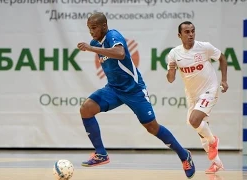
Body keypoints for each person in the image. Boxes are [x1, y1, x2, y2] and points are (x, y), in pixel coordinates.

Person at [77, 13, 195, 178]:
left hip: (134, 90)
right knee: (86, 109)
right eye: (89, 29)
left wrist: (92, 48)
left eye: (94, 28)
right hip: (113, 89)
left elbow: (120, 54)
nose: (91, 32)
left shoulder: (113, 36)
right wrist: (93, 46)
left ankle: (184, 155)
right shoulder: (96, 42)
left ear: (104, 26)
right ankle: (101, 154)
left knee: (152, 127)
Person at [166, 21, 228, 174]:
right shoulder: (174, 53)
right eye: (187, 32)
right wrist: (171, 69)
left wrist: (224, 80)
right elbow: (171, 79)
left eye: (193, 31)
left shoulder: (204, 47)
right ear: (179, 35)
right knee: (200, 131)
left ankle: (214, 141)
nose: (191, 34)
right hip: (192, 95)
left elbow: (222, 58)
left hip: (210, 89)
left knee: (195, 121)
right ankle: (217, 163)